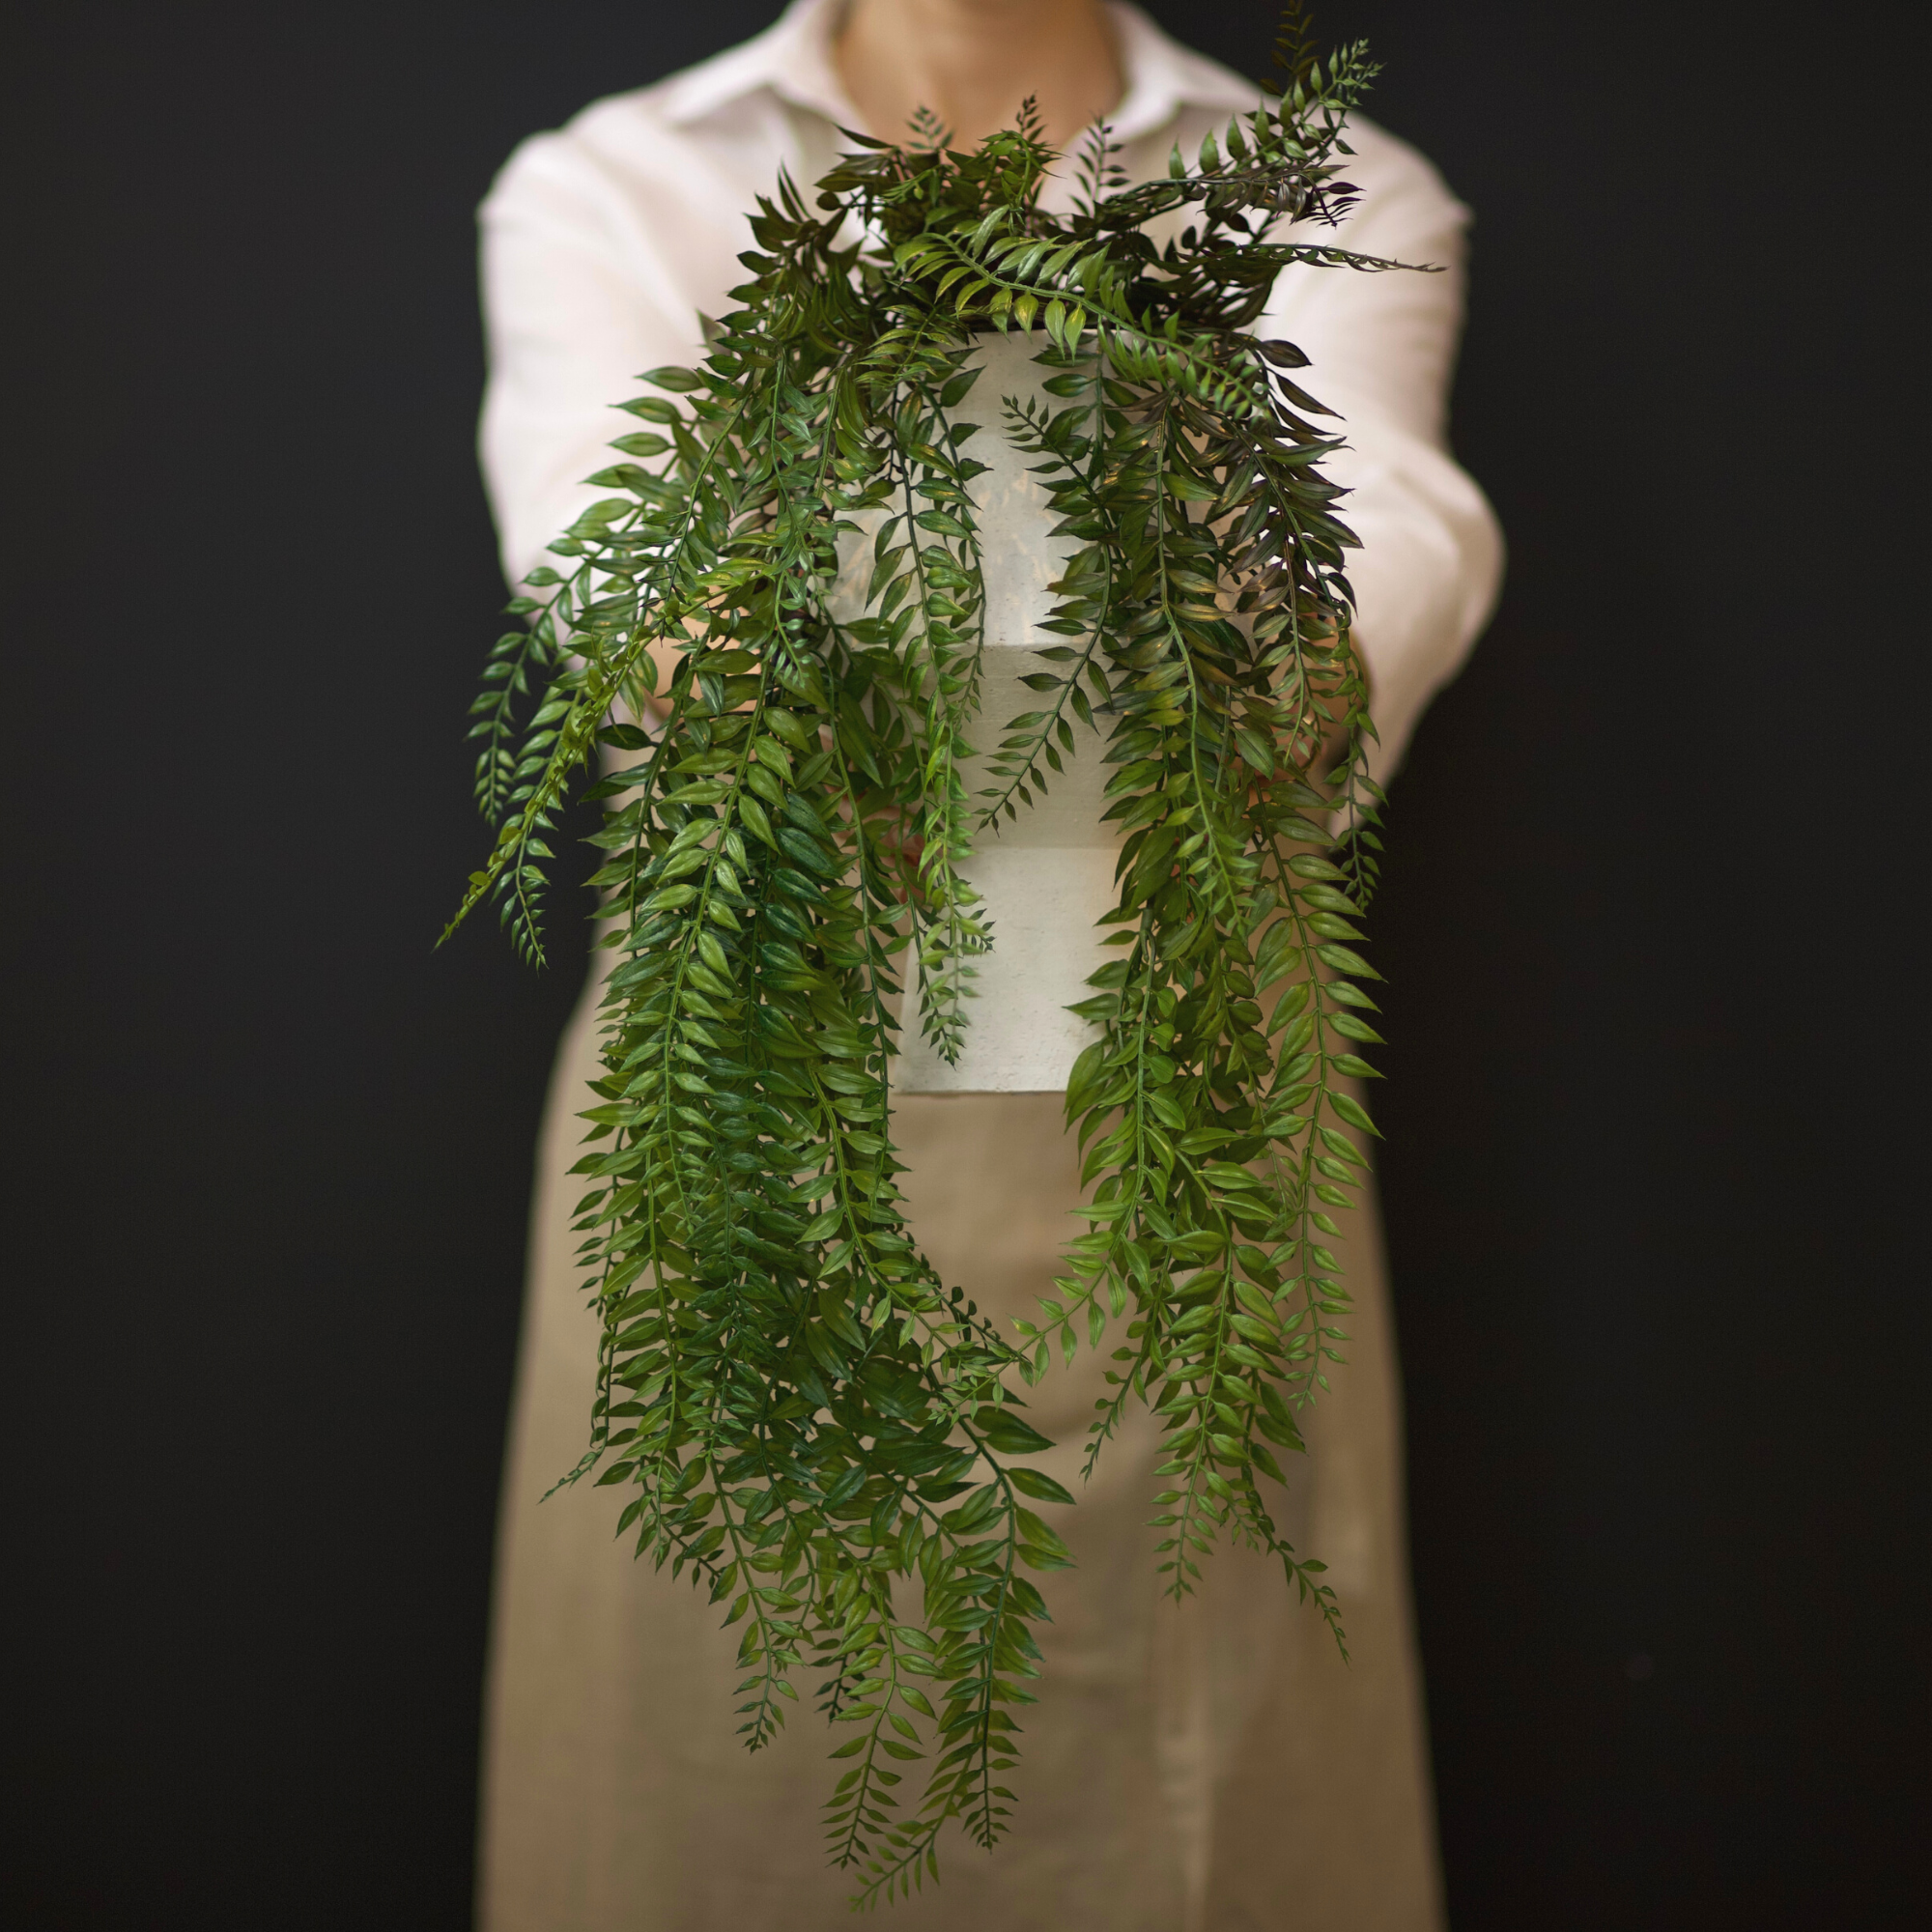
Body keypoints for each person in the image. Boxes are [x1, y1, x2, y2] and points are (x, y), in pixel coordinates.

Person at [474, 4, 1501, 1927]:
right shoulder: (626, 182)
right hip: (758, 1130)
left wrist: (1262, 674)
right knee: (734, 1761)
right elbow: (606, 569)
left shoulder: (1332, 185)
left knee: (1207, 1759)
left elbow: (1389, 538)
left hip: (1175, 1125)